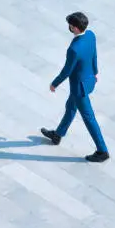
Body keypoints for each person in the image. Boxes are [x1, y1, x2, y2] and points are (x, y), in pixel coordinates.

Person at [41, 11, 110, 163]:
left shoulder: (74, 49)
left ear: (76, 28)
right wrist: (96, 72)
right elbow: (94, 55)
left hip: (79, 88)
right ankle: (58, 134)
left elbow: (67, 70)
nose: (69, 28)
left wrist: (55, 83)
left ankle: (102, 150)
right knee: (70, 107)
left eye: (70, 26)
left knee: (89, 118)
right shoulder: (91, 35)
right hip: (88, 80)